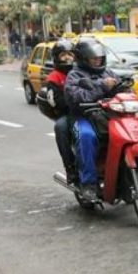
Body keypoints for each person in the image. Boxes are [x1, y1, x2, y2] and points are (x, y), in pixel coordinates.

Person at [64, 39, 122, 201]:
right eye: (93, 57)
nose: (97, 60)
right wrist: (102, 87)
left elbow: (124, 90)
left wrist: (124, 88)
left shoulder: (108, 73)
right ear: (83, 58)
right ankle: (88, 184)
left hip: (108, 116)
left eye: (99, 57)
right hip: (83, 117)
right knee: (86, 137)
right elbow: (75, 97)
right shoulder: (74, 75)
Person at [36, 40, 77, 184]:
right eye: (63, 55)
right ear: (56, 57)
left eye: (70, 54)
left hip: (88, 111)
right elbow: (57, 102)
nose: (67, 58)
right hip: (68, 114)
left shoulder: (80, 72)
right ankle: (70, 168)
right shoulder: (54, 77)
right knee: (60, 127)